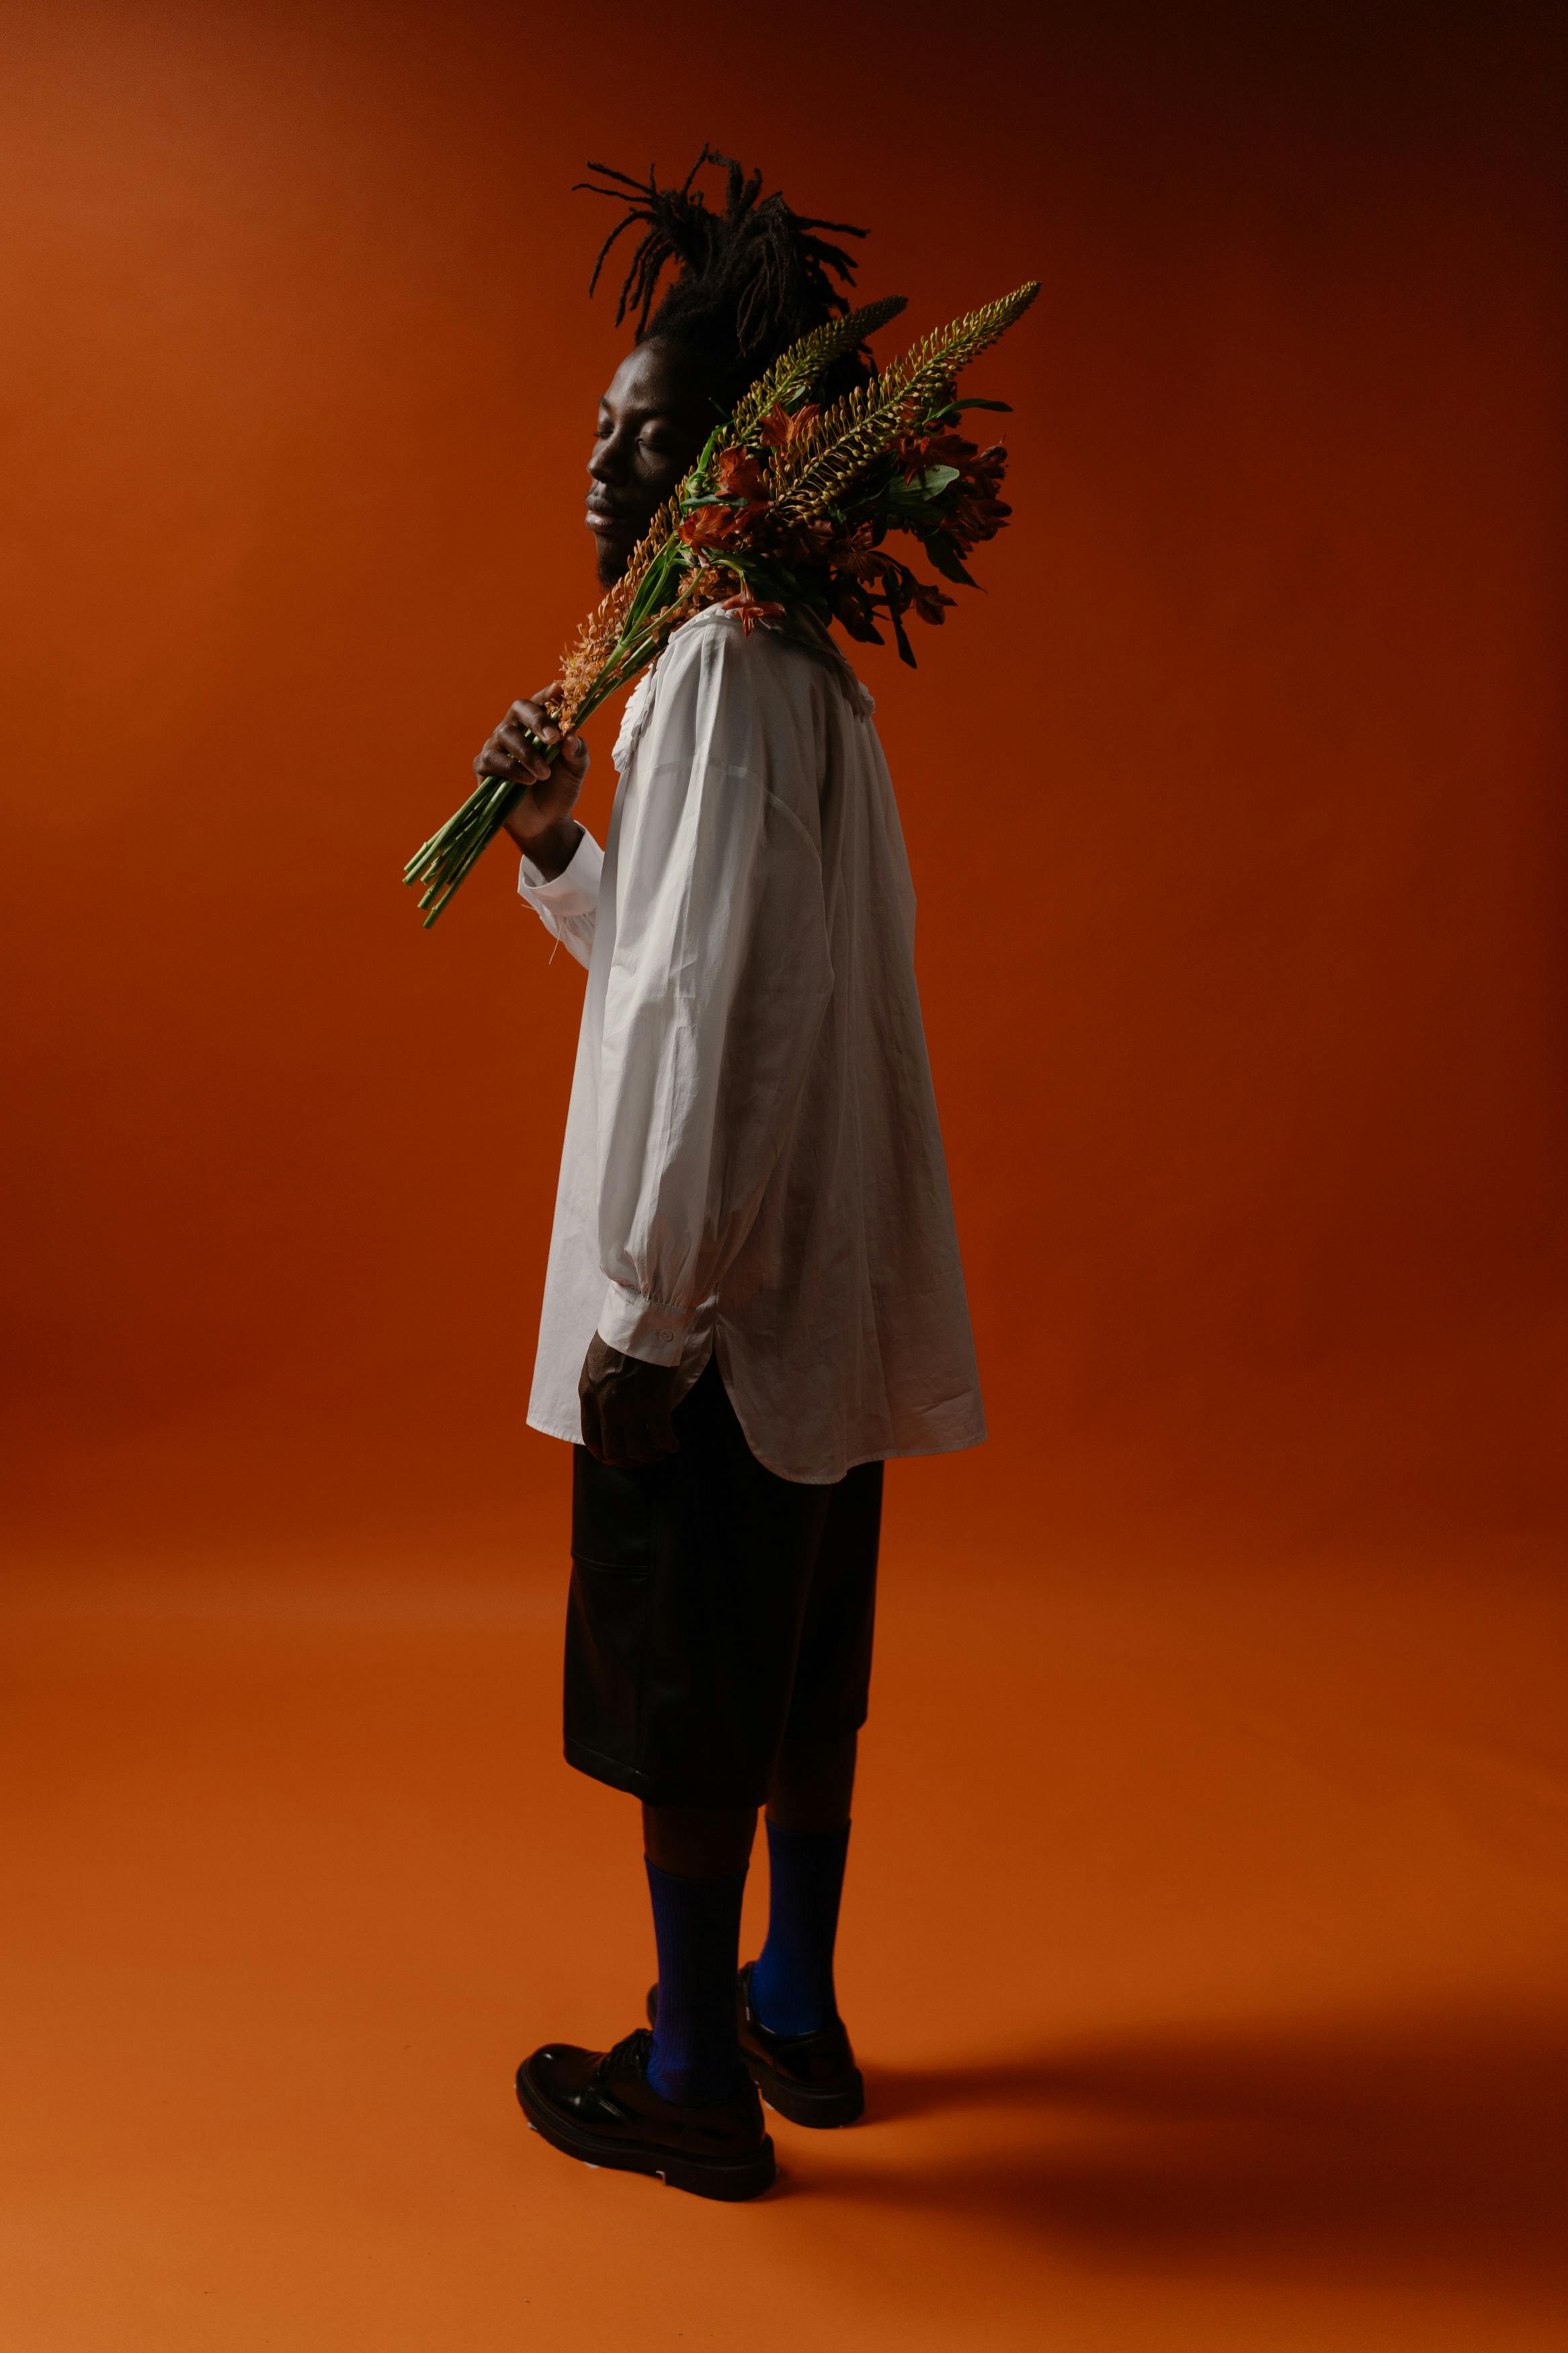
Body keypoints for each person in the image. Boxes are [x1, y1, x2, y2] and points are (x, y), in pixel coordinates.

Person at [483, 151, 985, 2202]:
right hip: (819, 1290)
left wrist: (648, 1312)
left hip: (721, 1304)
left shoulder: (702, 679)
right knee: (798, 1657)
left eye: (641, 439)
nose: (599, 471)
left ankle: (693, 2072)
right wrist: (555, 847)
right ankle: (795, 2004)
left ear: (733, 462)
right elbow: (703, 973)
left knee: (694, 1671)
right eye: (600, 435)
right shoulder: (807, 678)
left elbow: (710, 1030)